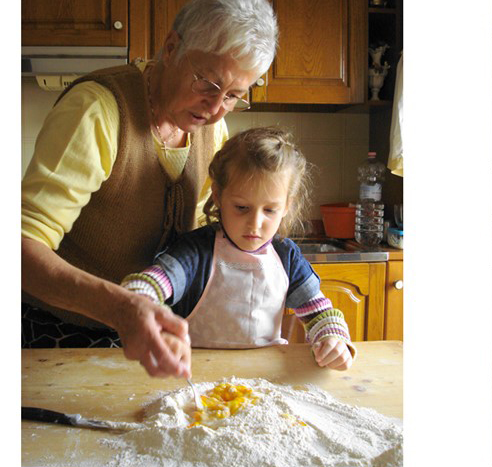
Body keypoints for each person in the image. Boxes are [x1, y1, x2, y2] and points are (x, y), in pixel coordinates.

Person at [21, 0, 278, 379]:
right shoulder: (97, 111)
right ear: (172, 48)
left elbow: (207, 236)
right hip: (56, 339)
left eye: (232, 95)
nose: (215, 108)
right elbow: (20, 248)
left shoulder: (213, 132)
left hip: (151, 336)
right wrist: (122, 308)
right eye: (208, 83)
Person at [120, 127, 355, 370]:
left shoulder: (287, 256)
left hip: (266, 380)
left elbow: (318, 313)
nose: (255, 223)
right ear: (219, 196)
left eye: (270, 210)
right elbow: (149, 285)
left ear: (286, 206)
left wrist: (333, 339)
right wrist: (144, 304)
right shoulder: (196, 252)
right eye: (242, 207)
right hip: (194, 376)